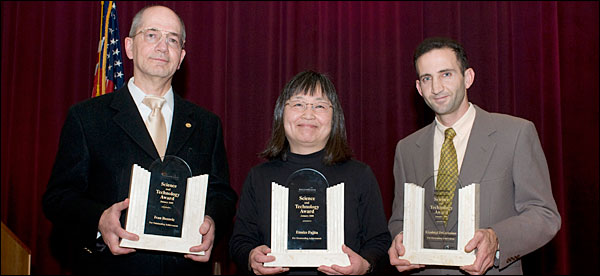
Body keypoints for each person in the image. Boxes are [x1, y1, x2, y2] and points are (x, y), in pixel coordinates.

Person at [42, 5, 237, 274]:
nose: (162, 46)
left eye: (172, 39)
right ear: (129, 47)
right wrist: (99, 219)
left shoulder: (207, 124)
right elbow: (58, 198)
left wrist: (212, 220)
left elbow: (221, 194)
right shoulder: (87, 117)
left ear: (181, 57)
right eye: (151, 35)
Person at [387, 37, 561, 275]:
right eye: (427, 78)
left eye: (446, 74)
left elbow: (544, 215)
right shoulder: (406, 149)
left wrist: (497, 238)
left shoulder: (515, 134)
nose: (436, 88)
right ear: (419, 88)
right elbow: (399, 219)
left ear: (468, 78)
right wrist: (399, 238)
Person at [229, 70, 391, 275]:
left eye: (320, 106)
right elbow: (240, 242)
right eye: (298, 104)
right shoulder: (259, 177)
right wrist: (252, 257)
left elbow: (380, 242)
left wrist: (365, 266)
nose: (308, 114)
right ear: (281, 113)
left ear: (335, 117)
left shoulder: (360, 176)